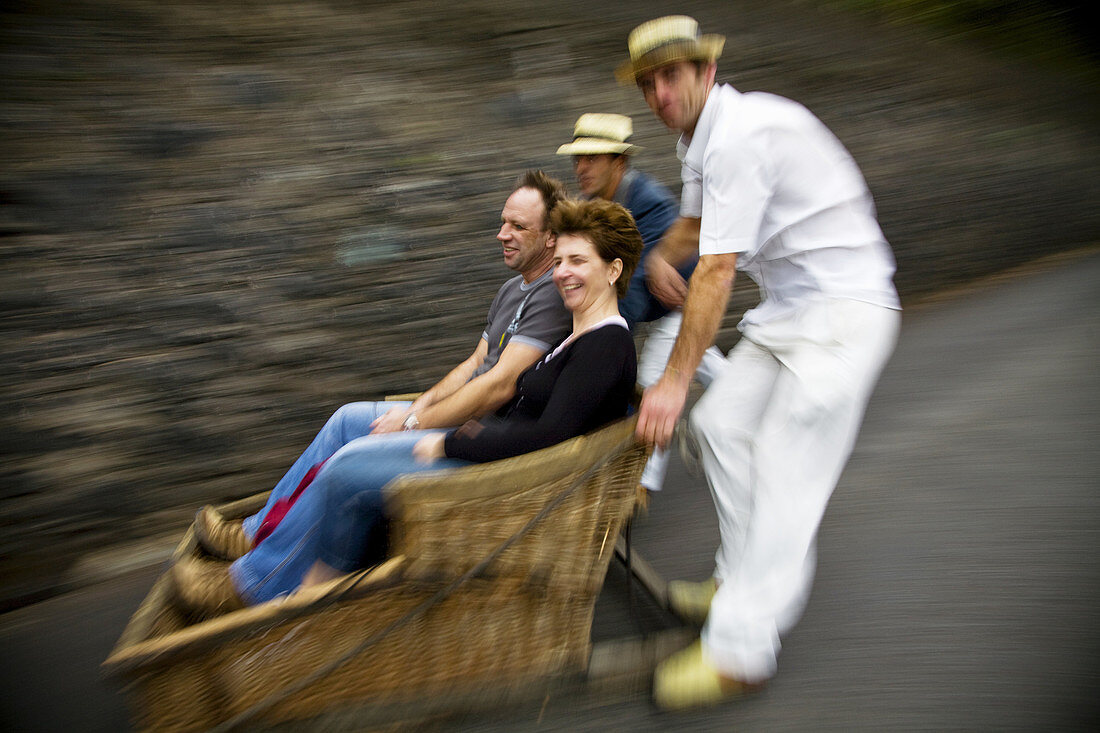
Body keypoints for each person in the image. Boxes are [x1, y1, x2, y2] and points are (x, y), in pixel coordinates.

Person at [169, 198, 642, 614]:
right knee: (352, 432)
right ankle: (271, 550)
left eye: (578, 261)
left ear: (613, 270)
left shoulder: (606, 346)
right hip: (493, 453)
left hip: (509, 482)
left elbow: (551, 436)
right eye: (559, 260)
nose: (561, 272)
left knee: (345, 470)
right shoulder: (579, 335)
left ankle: (258, 589)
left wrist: (449, 442)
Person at [619, 15, 902, 709]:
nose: (660, 94)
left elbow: (716, 269)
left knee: (783, 467)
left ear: (706, 73)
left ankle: (743, 650)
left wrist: (672, 383)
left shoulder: (740, 136)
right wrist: (656, 256)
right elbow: (692, 227)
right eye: (649, 83)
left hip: (846, 312)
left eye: (673, 77)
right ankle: (740, 580)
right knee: (718, 429)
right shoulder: (700, 139)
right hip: (789, 312)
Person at [191, 171, 573, 562]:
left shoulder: (550, 296)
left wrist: (413, 424)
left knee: (347, 462)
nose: (501, 234)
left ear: (549, 238)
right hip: (455, 416)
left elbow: (498, 385)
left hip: (480, 434)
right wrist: (416, 409)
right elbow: (475, 362)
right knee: (344, 420)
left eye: (517, 226)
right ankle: (254, 533)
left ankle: (258, 574)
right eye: (503, 222)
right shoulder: (512, 289)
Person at [555, 113, 725, 493]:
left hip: (682, 310)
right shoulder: (592, 205)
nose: (581, 167)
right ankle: (756, 416)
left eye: (592, 158)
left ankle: (637, 491)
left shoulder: (649, 206)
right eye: (578, 159)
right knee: (716, 374)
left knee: (651, 393)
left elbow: (626, 296)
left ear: (619, 162)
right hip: (662, 315)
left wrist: (585, 350)